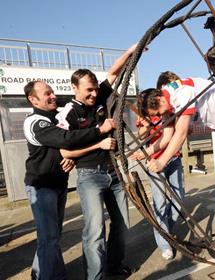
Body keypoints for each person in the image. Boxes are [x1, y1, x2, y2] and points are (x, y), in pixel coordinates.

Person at [55, 43, 137, 278]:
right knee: (95, 230)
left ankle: (114, 265)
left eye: (94, 89)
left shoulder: (100, 94)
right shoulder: (69, 112)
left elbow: (113, 72)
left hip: (114, 172)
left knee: (121, 225)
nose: (93, 94)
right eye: (88, 90)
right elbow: (64, 152)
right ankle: (95, 275)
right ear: (75, 88)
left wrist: (132, 49)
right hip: (90, 175)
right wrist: (99, 141)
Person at [23, 80, 115, 280]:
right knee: (49, 239)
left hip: (58, 184)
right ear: (33, 99)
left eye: (52, 92)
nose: (53, 95)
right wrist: (99, 132)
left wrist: (70, 159)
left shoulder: (55, 117)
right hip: (42, 186)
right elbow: (64, 140)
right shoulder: (35, 121)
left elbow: (62, 150)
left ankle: (40, 273)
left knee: (51, 236)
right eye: (47, 93)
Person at [130, 92, 185, 260]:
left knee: (179, 200)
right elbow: (140, 135)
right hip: (154, 163)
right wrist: (145, 127)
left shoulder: (166, 111)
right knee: (159, 204)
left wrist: (145, 152)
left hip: (172, 158)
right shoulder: (144, 117)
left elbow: (169, 137)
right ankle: (164, 243)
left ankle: (165, 230)